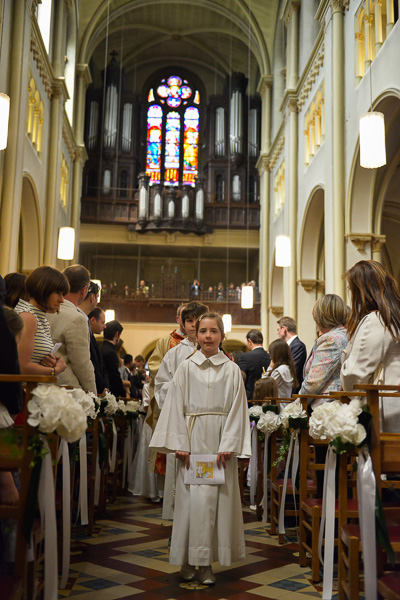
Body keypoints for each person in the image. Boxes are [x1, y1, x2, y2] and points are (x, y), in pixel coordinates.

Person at [150, 312, 251, 585]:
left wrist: (229, 444)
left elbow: (238, 409)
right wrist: (180, 443)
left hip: (219, 447)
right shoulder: (185, 368)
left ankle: (206, 564)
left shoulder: (231, 370)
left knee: (216, 504)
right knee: (190, 503)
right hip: (192, 444)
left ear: (222, 336)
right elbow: (175, 406)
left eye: (213, 331)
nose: (208, 336)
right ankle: (186, 559)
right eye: (203, 331)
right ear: (196, 335)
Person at [154, 301, 208, 521]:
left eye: (198, 320)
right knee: (180, 474)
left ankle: (203, 516)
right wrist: (182, 388)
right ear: (183, 325)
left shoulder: (215, 352)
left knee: (204, 473)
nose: (194, 325)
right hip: (181, 419)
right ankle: (179, 520)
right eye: (189, 321)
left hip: (206, 422)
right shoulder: (174, 354)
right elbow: (161, 386)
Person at [341, 260, 400, 432]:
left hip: (384, 409)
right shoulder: (393, 316)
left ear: (362, 291)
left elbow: (355, 374)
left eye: (351, 289)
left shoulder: (378, 320)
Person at [146, 303, 186, 475]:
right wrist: (175, 379)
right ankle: (168, 485)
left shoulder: (201, 341)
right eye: (187, 318)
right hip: (171, 398)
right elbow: (154, 365)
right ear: (178, 319)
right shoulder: (166, 342)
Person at [46, 264, 96, 393]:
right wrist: (93, 395)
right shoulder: (76, 318)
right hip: (65, 390)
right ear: (84, 290)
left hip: (38, 385)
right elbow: (82, 364)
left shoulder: (43, 309)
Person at [15, 266, 68, 377]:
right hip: (22, 387)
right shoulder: (28, 317)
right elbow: (21, 366)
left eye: (63, 294)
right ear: (43, 290)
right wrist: (54, 370)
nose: (62, 300)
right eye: (58, 293)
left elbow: (34, 360)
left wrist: (51, 362)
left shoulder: (41, 319)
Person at [298, 294, 348, 407]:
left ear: (320, 316)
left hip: (324, 405)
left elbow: (313, 382)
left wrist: (296, 406)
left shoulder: (330, 339)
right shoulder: (345, 334)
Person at [238, 329, 271, 400]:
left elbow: (240, 379)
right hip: (266, 397)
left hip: (250, 398)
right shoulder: (269, 356)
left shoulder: (245, 357)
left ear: (249, 341)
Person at [277, 316, 307, 393]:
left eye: (278, 329)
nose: (277, 333)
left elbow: (292, 369)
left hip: (292, 390)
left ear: (284, 329)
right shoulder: (287, 345)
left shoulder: (298, 346)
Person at [101, 320, 126, 397]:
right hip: (110, 393)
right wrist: (123, 395)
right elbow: (114, 377)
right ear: (117, 334)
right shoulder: (111, 353)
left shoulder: (101, 349)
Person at [88, 307, 107, 394]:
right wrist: (101, 387)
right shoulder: (87, 337)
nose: (105, 326)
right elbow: (92, 363)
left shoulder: (91, 336)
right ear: (93, 320)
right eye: (102, 322)